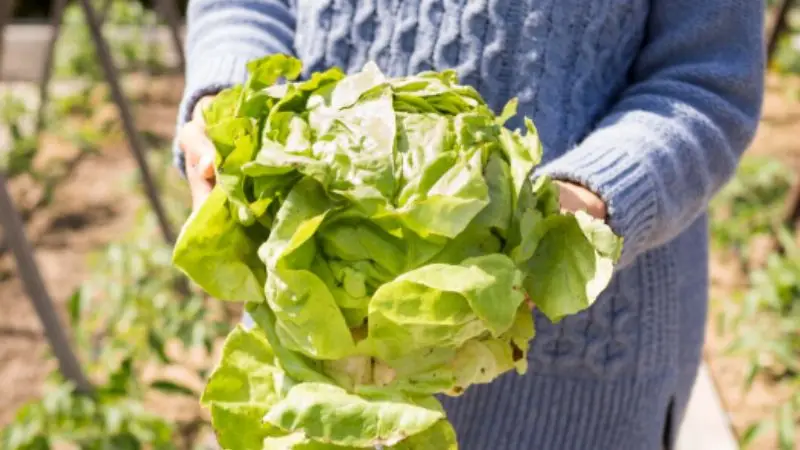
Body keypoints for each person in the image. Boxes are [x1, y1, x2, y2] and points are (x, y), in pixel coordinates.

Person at [174, 1, 765, 449]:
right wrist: (229, 105)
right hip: (310, 357)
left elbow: (707, 80)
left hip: (576, 386)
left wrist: (576, 210)